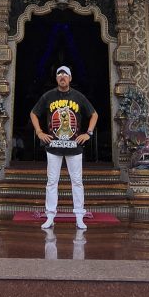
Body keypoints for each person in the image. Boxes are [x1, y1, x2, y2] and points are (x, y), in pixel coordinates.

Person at [30, 65, 98, 231]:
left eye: (65, 74)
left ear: (70, 78)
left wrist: (88, 133)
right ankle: (50, 216)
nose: (62, 77)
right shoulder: (48, 96)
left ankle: (79, 217)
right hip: (53, 146)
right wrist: (39, 132)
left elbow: (94, 114)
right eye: (59, 74)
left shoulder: (78, 96)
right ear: (56, 78)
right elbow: (34, 113)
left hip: (74, 146)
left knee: (77, 182)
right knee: (52, 182)